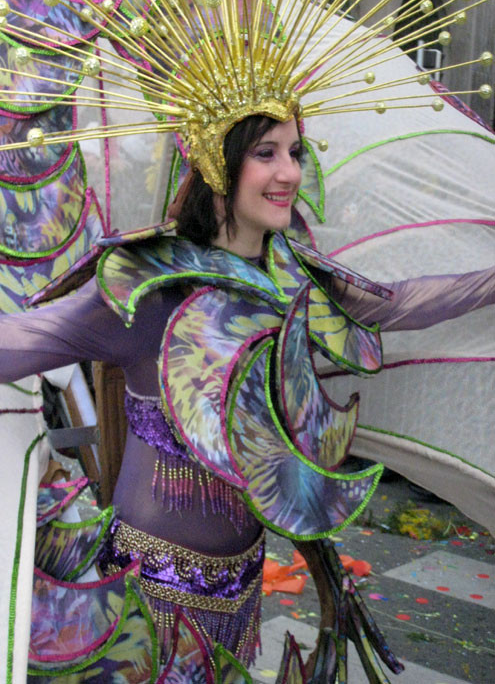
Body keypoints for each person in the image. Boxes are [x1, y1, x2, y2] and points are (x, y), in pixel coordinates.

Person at [1, 112, 494, 678]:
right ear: (218, 163)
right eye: (267, 153)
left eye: (295, 152)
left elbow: (398, 304)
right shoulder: (149, 289)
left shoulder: (295, 279)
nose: (289, 172)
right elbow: (19, 343)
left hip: (241, 584)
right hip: (153, 603)